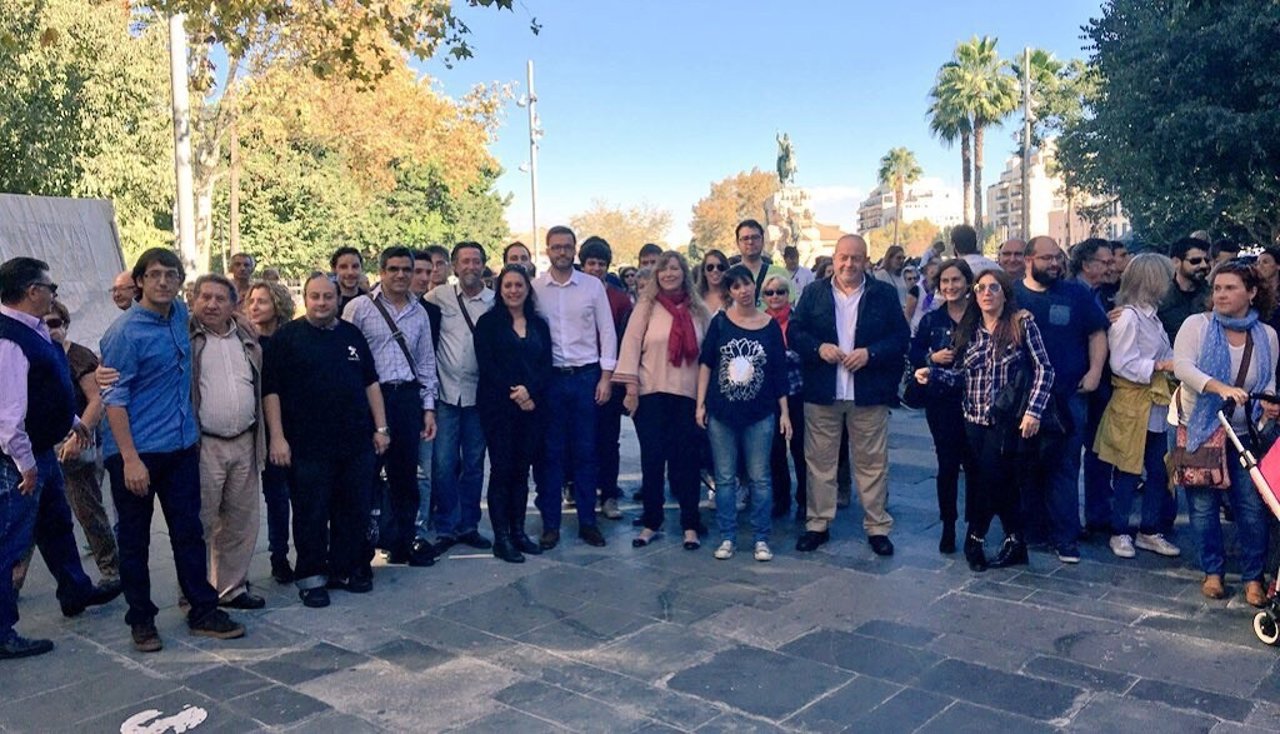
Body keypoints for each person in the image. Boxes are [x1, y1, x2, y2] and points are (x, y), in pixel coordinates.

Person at [100, 249, 244, 651]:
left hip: (181, 449)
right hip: (137, 453)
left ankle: (202, 609)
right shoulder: (125, 333)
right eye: (155, 274)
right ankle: (141, 620)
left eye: (171, 274)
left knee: (189, 532)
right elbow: (114, 396)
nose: (163, 281)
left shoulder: (180, 316)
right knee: (135, 539)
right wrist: (129, 459)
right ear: (140, 282)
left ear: (180, 281)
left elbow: (218, 317)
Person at [0, 258, 120, 660]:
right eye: (50, 287)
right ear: (32, 290)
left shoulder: (33, 332)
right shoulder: (8, 339)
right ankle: (2, 629)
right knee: (11, 543)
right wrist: (25, 465)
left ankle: (75, 590)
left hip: (42, 450)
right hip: (19, 459)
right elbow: (8, 415)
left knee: (56, 525)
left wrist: (72, 422)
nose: (54, 293)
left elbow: (44, 391)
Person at [914, 269, 1054, 572]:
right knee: (996, 481)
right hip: (972, 418)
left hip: (1008, 419)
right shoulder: (971, 328)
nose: (987, 293)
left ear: (1004, 292)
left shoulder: (1021, 323)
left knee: (991, 478)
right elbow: (964, 375)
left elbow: (1044, 368)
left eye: (993, 287)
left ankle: (974, 538)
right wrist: (932, 373)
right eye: (981, 288)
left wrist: (1034, 410)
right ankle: (1016, 540)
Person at [263, 274, 389, 607]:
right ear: (305, 298)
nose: (321, 303)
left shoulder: (351, 335)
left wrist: (381, 428)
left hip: (355, 442)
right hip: (306, 446)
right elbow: (271, 392)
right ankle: (312, 576)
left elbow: (370, 382)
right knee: (310, 513)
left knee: (353, 509)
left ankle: (345, 570)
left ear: (337, 300)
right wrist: (277, 438)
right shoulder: (286, 338)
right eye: (315, 297)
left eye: (328, 297)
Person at [789, 234, 909, 556]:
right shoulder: (814, 293)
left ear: (866, 260)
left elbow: (901, 336)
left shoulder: (882, 294)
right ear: (834, 257)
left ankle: (877, 526)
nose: (849, 264)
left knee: (872, 463)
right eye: (844, 257)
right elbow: (795, 332)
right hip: (823, 391)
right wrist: (818, 348)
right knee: (819, 463)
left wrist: (871, 353)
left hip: (867, 392)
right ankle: (818, 524)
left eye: (856, 258)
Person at [1174, 260, 1279, 606]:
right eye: (1217, 288)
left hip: (1244, 432)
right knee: (1202, 507)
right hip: (1201, 428)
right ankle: (1213, 572)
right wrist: (1217, 387)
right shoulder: (1197, 326)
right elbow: (1183, 367)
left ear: (1251, 293)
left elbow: (1267, 380)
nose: (1220, 294)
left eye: (1230, 288)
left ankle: (1253, 577)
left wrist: (1270, 405)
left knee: (1251, 506)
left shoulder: (1266, 335)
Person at [12, 301, 120, 593]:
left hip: (75, 442)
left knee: (87, 509)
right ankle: (15, 581)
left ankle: (110, 568)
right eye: (44, 323)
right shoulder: (30, 353)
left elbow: (96, 399)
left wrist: (78, 434)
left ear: (65, 324)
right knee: (30, 518)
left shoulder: (78, 356)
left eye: (55, 323)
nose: (50, 329)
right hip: (38, 445)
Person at [1014, 236, 1109, 564]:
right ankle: (1031, 531)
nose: (1054, 264)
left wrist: (1095, 371)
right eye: (1046, 258)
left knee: (1065, 467)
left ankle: (1066, 537)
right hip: (1023, 399)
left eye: (1058, 257)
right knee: (1025, 466)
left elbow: (1098, 333)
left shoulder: (1076, 293)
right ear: (1029, 260)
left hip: (1069, 396)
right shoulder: (1011, 294)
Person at [343, 248, 439, 567]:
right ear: (382, 271)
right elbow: (345, 356)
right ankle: (360, 548)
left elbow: (426, 362)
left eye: (406, 270)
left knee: (405, 476)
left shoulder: (419, 312)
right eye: (394, 269)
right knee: (365, 475)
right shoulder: (359, 308)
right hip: (371, 400)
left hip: (407, 398)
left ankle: (402, 542)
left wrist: (428, 408)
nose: (401, 275)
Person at [615, 252, 710, 550]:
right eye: (664, 269)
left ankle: (691, 525)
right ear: (657, 275)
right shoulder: (645, 307)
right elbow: (630, 347)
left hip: (687, 395)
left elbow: (708, 355)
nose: (669, 274)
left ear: (684, 273)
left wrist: (705, 400)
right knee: (653, 461)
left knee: (687, 463)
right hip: (651, 394)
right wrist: (630, 389)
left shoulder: (699, 311)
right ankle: (651, 523)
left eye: (675, 268)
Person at [697, 265, 791, 562]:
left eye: (747, 283)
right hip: (722, 412)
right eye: (736, 286)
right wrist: (700, 404)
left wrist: (784, 413)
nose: (743, 290)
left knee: (760, 478)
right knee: (725, 478)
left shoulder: (770, 325)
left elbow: (778, 372)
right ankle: (727, 536)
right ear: (730, 292)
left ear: (754, 285)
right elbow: (706, 364)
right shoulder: (721, 323)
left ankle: (761, 538)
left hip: (760, 412)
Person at [532, 226, 617, 549]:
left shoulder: (592, 287)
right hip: (551, 380)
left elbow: (607, 332)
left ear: (575, 249)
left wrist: (606, 377)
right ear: (548, 250)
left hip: (586, 377)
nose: (562, 252)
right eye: (556, 247)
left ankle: (588, 522)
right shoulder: (536, 289)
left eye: (567, 247)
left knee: (586, 452)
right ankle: (551, 525)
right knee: (551, 455)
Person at [186, 274, 267, 610]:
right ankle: (195, 594)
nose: (212, 304)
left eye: (220, 298)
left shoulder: (247, 337)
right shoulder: (184, 338)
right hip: (205, 444)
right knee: (200, 523)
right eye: (205, 297)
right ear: (192, 300)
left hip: (245, 441)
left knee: (240, 521)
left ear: (234, 304)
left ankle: (231, 589)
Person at [1093, 254, 1181, 560]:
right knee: (1128, 469)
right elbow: (1121, 362)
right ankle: (1119, 531)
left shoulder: (1152, 316)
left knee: (1159, 469)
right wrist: (1159, 365)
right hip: (1132, 401)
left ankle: (1148, 529)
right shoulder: (1129, 316)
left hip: (1155, 402)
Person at [475, 266, 551, 562]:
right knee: (502, 469)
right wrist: (516, 393)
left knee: (522, 471)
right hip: (499, 408)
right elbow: (488, 365)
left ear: (527, 289)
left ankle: (519, 532)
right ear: (499, 288)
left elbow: (546, 364)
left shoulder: (539, 324)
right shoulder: (488, 323)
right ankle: (502, 537)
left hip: (532, 408)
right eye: (507, 285)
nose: (513, 290)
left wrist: (530, 392)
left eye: (519, 285)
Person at [425, 242, 494, 553]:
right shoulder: (438, 297)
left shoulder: (494, 301)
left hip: (479, 397)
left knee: (475, 464)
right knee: (443, 463)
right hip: (446, 395)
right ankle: (447, 526)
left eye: (475, 261)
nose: (470, 266)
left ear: (483, 265)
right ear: (454, 266)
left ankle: (469, 525)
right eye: (464, 261)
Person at [908, 259, 976, 554]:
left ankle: (976, 529)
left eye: (956, 280)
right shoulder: (932, 319)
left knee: (975, 466)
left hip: (977, 399)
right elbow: (913, 352)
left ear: (967, 283)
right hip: (941, 401)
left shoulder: (981, 316)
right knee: (947, 464)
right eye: (945, 282)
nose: (950, 286)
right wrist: (931, 359)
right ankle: (948, 524)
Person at [245, 280, 296, 583]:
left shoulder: (291, 339)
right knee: (270, 496)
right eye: (251, 301)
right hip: (258, 429)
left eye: (262, 301)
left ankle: (284, 555)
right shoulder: (246, 342)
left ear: (277, 305)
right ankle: (274, 556)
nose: (254, 306)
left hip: (294, 424)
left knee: (287, 496)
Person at [580, 237, 633, 521]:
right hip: (578, 374)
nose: (596, 268)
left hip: (609, 376)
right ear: (583, 264)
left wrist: (615, 378)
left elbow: (624, 339)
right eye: (591, 263)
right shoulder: (572, 292)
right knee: (579, 438)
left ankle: (609, 495)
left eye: (601, 264)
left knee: (608, 440)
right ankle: (579, 489)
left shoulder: (620, 299)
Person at [763, 274, 806, 522]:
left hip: (796, 392)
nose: (775, 297)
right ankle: (781, 498)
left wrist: (780, 357)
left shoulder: (798, 320)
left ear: (788, 294)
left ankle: (804, 500)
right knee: (775, 450)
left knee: (800, 449)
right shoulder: (761, 322)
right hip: (771, 396)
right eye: (770, 293)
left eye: (780, 291)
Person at [1158, 237, 1212, 345]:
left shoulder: (1213, 295)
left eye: (1206, 260)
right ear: (1176, 262)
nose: (1204, 265)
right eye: (1195, 261)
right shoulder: (1160, 298)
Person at [732, 220, 790, 307]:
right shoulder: (729, 274)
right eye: (745, 238)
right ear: (737, 243)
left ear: (762, 240)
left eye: (755, 237)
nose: (750, 242)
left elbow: (789, 307)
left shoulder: (780, 273)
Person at [331, 246, 367, 314]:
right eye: (343, 267)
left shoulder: (369, 302)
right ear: (334, 270)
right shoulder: (329, 304)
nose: (350, 272)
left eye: (355, 266)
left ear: (361, 268)